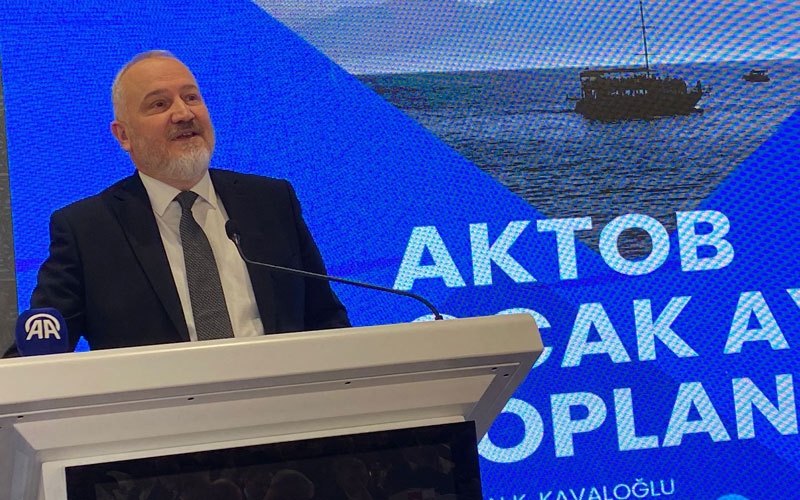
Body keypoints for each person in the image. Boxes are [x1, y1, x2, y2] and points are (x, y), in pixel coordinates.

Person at [7, 50, 350, 354]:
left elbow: (326, 320)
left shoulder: (271, 202)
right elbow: (39, 354)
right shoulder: (86, 230)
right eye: (160, 104)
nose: (184, 113)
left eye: (191, 97)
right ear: (123, 135)